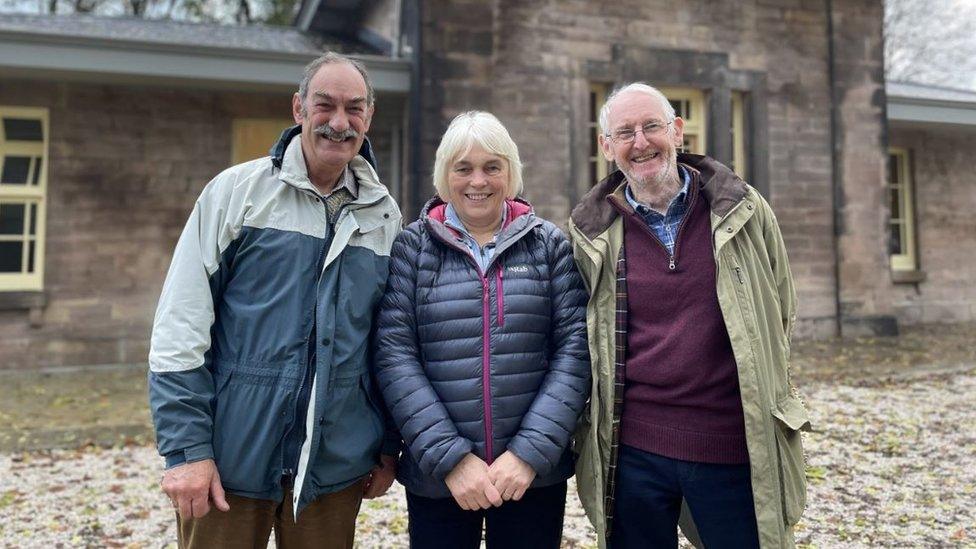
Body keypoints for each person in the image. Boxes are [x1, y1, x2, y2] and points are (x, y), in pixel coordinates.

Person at [147, 52, 401, 548]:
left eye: (354, 109)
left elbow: (385, 345)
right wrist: (186, 450)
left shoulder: (384, 216)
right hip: (229, 462)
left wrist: (386, 446)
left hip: (332, 470)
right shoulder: (235, 193)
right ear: (298, 109)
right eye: (324, 105)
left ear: (368, 118)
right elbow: (181, 325)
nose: (338, 122)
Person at [570, 82, 812, 549]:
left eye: (651, 127)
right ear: (607, 147)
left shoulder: (742, 207)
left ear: (677, 131)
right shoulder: (589, 232)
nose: (640, 142)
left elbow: (779, 304)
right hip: (632, 453)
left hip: (733, 444)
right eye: (624, 133)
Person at [373, 111, 590, 548]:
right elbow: (394, 354)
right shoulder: (412, 248)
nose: (479, 180)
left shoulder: (549, 245)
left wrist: (529, 454)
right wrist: (451, 459)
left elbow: (575, 350)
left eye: (492, 166)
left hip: (529, 475)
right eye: (464, 168)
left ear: (510, 172)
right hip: (440, 476)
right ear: (444, 175)